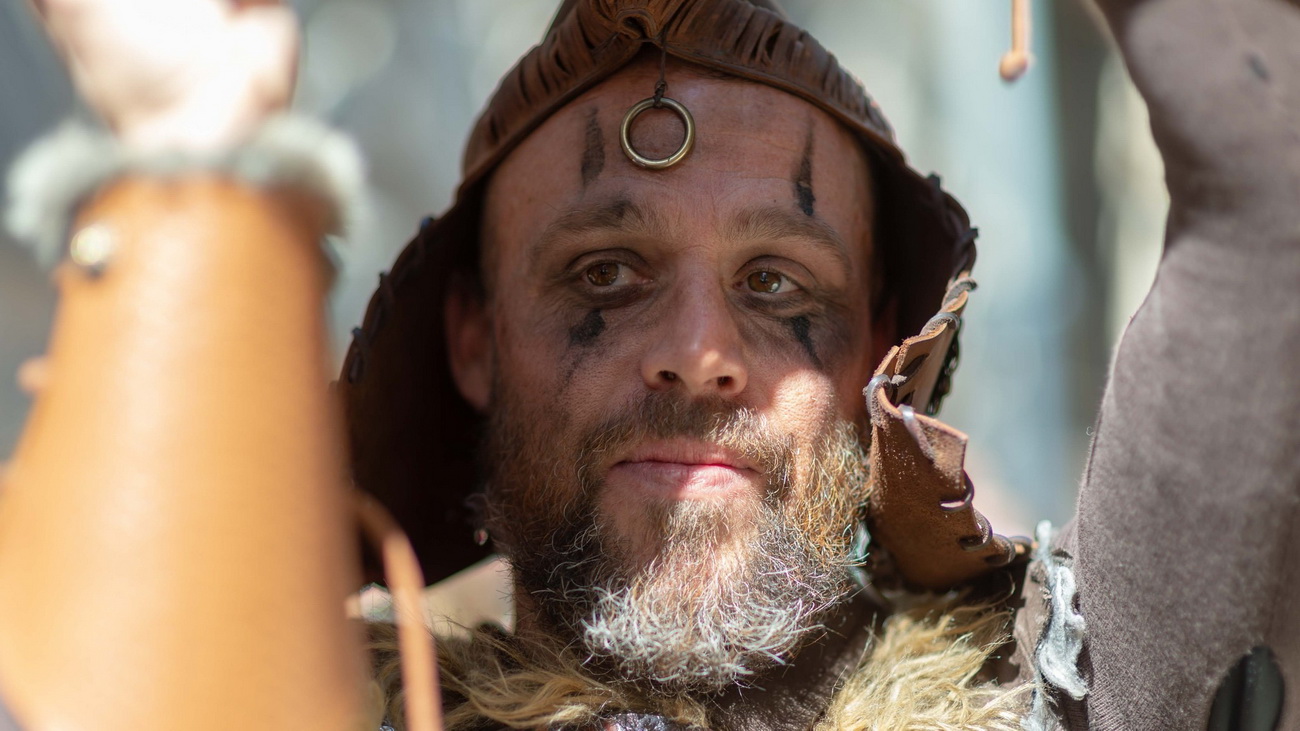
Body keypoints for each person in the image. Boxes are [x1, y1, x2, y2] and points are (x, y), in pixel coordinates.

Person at [0, 0, 1296, 729]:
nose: (697, 356)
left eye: (778, 284)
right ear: (471, 337)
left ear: (878, 351)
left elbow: (1269, 175)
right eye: (606, 276)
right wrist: (195, 126)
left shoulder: (1065, 703)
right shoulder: (313, 703)